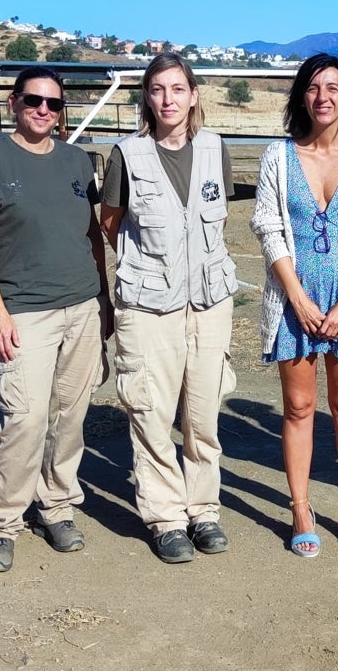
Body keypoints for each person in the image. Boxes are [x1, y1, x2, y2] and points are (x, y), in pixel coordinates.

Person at [0, 66, 110, 573]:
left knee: (69, 416)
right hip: (25, 311)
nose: (43, 110)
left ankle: (57, 505)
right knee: (24, 419)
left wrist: (104, 301)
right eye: (33, 100)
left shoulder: (76, 162)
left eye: (53, 103)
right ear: (13, 103)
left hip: (82, 307)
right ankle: (2, 523)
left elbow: (93, 238)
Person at [250, 53, 338, 557]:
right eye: (313, 88)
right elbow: (267, 228)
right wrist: (298, 298)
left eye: (333, 87)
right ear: (301, 97)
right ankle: (301, 508)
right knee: (298, 407)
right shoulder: (278, 156)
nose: (323, 97)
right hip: (294, 295)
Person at [99, 52, 238, 565]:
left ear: (194, 95)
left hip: (208, 302)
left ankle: (203, 510)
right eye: (157, 90)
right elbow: (111, 222)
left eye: (177, 89)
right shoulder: (126, 155)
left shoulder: (214, 149)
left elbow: (214, 222)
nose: (168, 100)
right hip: (148, 306)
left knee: (203, 414)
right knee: (152, 412)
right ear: (146, 98)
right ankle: (166, 518)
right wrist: (153, 270)